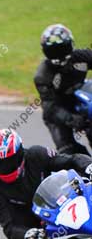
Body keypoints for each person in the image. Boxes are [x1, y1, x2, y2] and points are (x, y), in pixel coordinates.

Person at [34, 24, 92, 155]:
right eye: (54, 51)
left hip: (80, 99)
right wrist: (72, 119)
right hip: (58, 111)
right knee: (69, 151)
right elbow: (50, 108)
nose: (59, 54)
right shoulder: (43, 75)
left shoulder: (80, 57)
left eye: (62, 48)